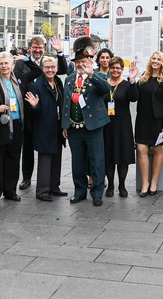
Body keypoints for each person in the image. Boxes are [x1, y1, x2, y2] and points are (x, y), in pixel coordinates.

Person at [0, 52, 39, 205]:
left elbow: (37, 71)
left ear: (12, 64)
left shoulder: (20, 79)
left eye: (7, 63)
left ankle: (10, 191)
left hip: (18, 125)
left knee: (13, 159)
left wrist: (25, 59)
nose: (4, 66)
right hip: (0, 125)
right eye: (1, 63)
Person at [61, 36, 111, 206]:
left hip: (93, 127)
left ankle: (97, 193)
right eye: (77, 62)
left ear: (89, 61)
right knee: (77, 163)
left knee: (97, 161)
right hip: (74, 128)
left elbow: (106, 90)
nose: (80, 64)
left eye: (83, 61)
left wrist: (91, 74)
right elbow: (65, 103)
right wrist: (64, 125)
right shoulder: (69, 79)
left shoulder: (96, 76)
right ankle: (80, 192)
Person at [15, 36, 67, 192]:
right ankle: (26, 177)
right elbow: (20, 83)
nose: (37, 50)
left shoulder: (54, 73)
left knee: (52, 150)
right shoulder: (21, 63)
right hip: (30, 108)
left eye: (40, 47)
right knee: (29, 148)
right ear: (30, 47)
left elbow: (63, 69)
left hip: (50, 115)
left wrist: (60, 51)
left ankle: (53, 186)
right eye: (34, 47)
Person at [24, 56, 68, 201]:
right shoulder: (35, 86)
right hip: (43, 128)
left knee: (56, 158)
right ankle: (42, 191)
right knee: (45, 160)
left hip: (57, 127)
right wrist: (34, 106)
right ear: (42, 68)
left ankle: (54, 187)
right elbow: (32, 113)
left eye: (53, 67)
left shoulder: (58, 82)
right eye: (47, 67)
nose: (50, 70)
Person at [134, 52, 163, 196]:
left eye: (158, 59)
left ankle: (154, 182)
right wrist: (132, 79)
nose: (155, 61)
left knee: (157, 150)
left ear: (162, 62)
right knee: (141, 149)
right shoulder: (144, 76)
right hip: (142, 119)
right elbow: (134, 96)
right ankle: (145, 183)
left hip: (158, 120)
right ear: (150, 61)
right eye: (153, 59)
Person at [102, 56, 139, 197]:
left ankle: (122, 185)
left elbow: (134, 97)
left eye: (118, 68)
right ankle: (110, 184)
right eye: (113, 67)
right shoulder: (104, 84)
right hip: (107, 125)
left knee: (122, 157)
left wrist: (132, 80)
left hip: (123, 125)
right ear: (109, 69)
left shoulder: (126, 84)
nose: (115, 70)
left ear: (122, 69)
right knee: (109, 156)